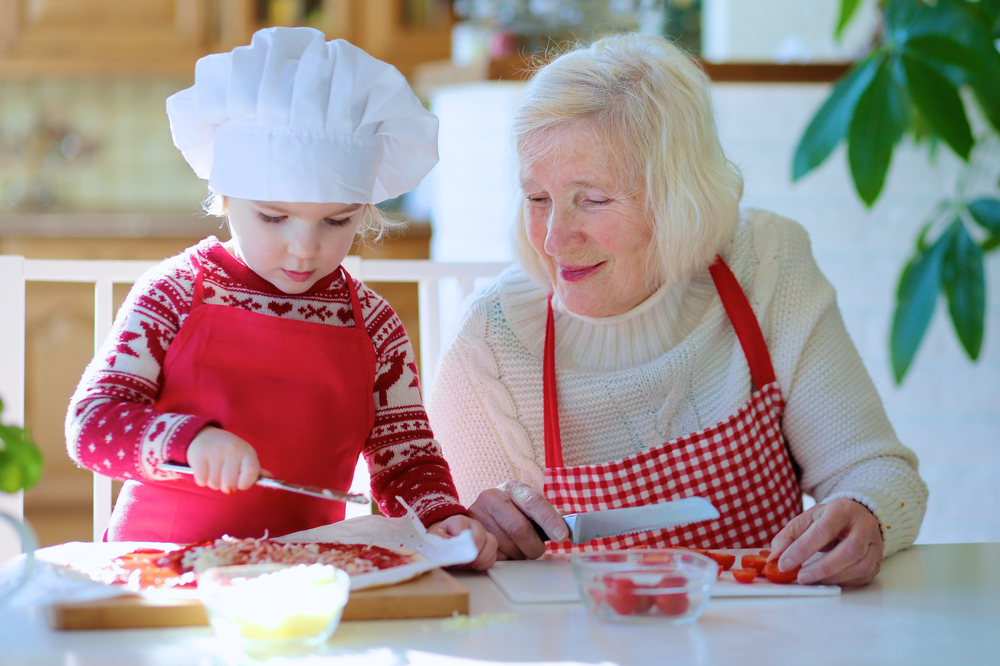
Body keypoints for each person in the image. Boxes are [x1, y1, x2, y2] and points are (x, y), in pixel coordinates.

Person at [426, 33, 927, 585]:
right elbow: (476, 577)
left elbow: (875, 470)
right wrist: (476, 542)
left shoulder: (764, 264)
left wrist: (868, 515)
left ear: (678, 196)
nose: (552, 240)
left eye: (591, 200)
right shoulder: (491, 347)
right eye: (536, 199)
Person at [65, 27, 496, 570]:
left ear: (365, 210)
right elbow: (92, 426)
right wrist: (188, 443)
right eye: (273, 217)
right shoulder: (173, 293)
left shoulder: (376, 325)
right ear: (224, 197)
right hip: (154, 569)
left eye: (337, 221)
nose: (304, 247)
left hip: (299, 580)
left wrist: (441, 519)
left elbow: (405, 463)